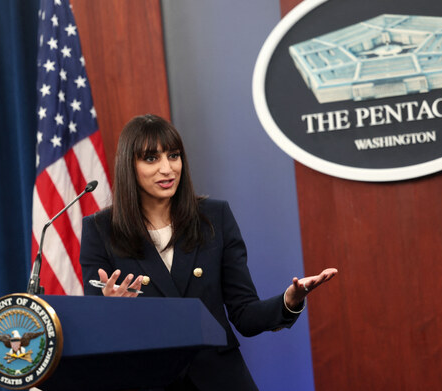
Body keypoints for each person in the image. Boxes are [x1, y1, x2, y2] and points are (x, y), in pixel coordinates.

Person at [79, 114, 338, 391]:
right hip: (149, 378)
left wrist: (289, 301)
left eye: (174, 155)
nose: (167, 169)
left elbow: (245, 314)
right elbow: (99, 334)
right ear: (129, 166)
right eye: (151, 158)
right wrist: (110, 311)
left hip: (219, 377)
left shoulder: (215, 216)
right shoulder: (100, 229)